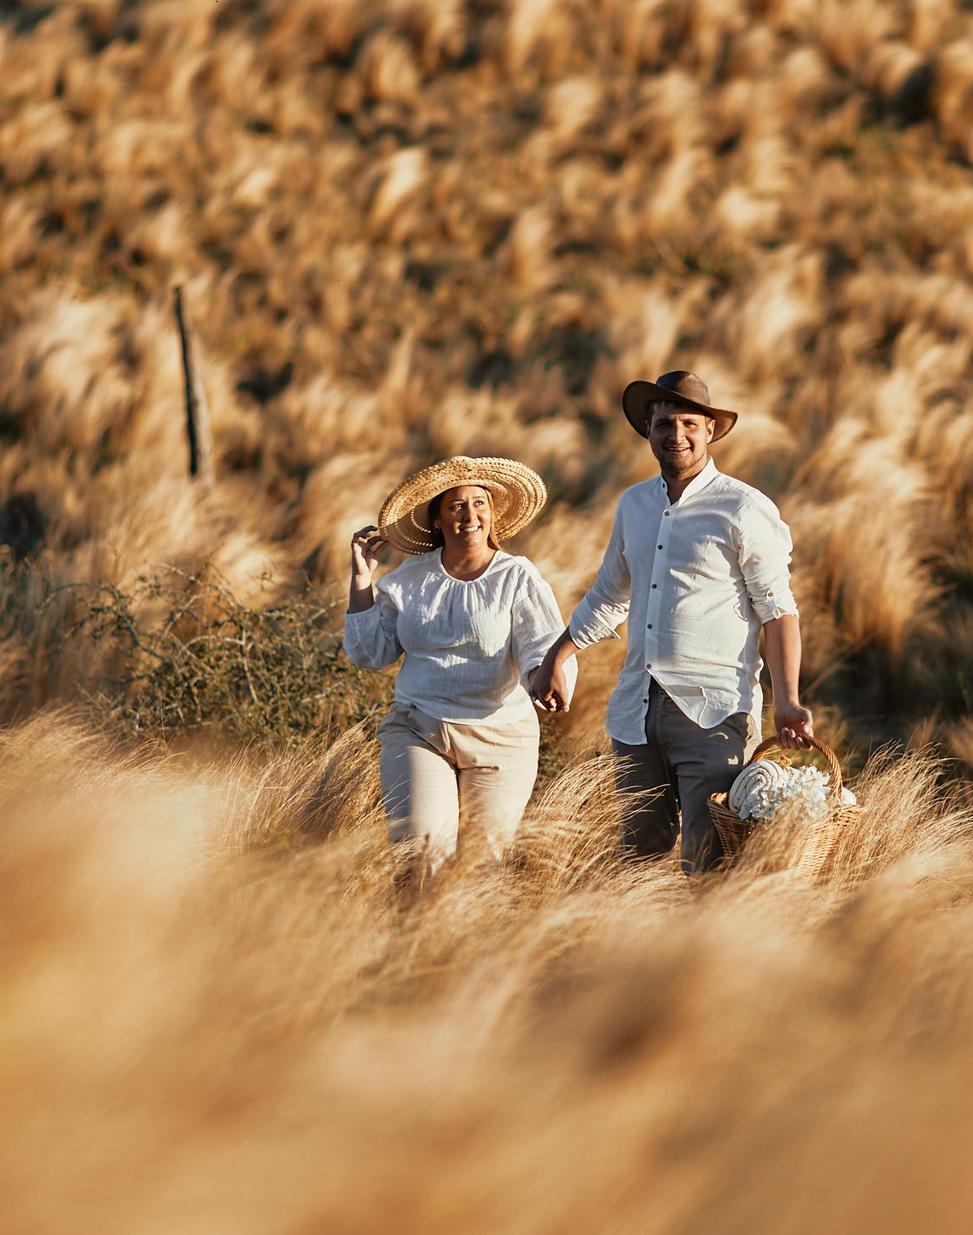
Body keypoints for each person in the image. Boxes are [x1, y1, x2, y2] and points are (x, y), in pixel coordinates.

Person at [529, 370, 813, 874]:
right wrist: (560, 654)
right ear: (648, 430)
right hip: (637, 711)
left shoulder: (743, 507)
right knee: (638, 864)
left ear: (709, 431)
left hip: (714, 712)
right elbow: (611, 593)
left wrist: (787, 700)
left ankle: (709, 953)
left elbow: (779, 611)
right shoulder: (633, 504)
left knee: (710, 864)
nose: (675, 435)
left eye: (688, 423)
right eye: (664, 424)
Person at [343, 454, 566, 866]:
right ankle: (411, 930)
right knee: (422, 859)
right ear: (438, 519)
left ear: (493, 513)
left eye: (479, 503)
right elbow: (369, 652)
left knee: (480, 870)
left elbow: (543, 644)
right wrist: (362, 580)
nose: (470, 514)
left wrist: (544, 676)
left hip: (502, 740)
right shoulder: (409, 580)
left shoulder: (517, 576)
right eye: (457, 505)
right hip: (420, 728)